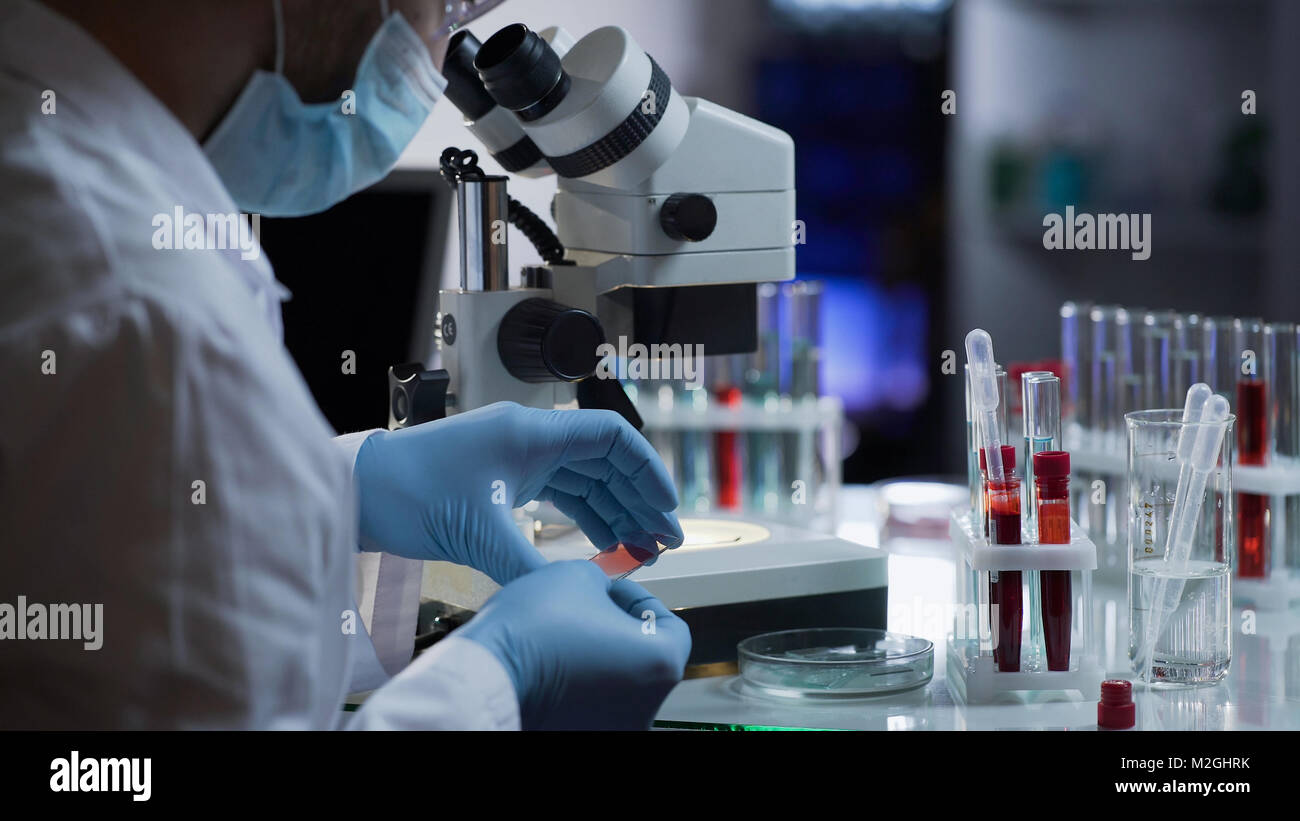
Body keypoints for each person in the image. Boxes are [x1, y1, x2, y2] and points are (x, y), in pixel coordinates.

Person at [0, 0, 691, 730]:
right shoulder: (142, 311)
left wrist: (337, 487)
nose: (436, 55)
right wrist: (496, 679)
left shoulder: (51, 170)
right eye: (444, 9)